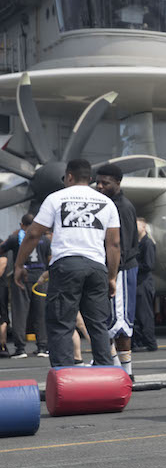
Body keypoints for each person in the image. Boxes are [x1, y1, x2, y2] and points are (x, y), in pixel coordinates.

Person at [15, 159, 119, 368]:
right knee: (97, 324)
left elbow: (33, 233)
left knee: (61, 323)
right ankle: (106, 374)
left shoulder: (55, 198)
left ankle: (64, 376)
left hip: (67, 265)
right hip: (96, 266)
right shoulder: (106, 203)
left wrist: (18, 265)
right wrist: (112, 277)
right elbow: (114, 243)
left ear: (69, 176)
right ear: (90, 179)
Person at [95, 163, 139, 378]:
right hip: (109, 269)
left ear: (118, 183)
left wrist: (114, 273)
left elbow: (123, 245)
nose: (100, 186)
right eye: (98, 182)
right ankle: (114, 367)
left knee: (119, 322)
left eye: (106, 183)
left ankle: (126, 372)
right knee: (107, 320)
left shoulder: (122, 206)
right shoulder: (107, 204)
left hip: (120, 270)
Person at [2, 214, 48, 358]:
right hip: (40, 277)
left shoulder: (15, 238)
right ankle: (42, 347)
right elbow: (49, 258)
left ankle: (20, 348)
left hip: (21, 277)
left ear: (22, 225)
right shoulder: (44, 239)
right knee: (41, 312)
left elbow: (1, 249)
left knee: (20, 313)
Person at [133, 218, 158, 352]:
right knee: (136, 314)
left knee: (145, 314)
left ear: (144, 227)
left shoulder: (147, 243)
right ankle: (138, 340)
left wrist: (133, 267)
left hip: (143, 282)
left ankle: (150, 342)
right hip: (137, 282)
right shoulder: (136, 244)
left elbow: (149, 265)